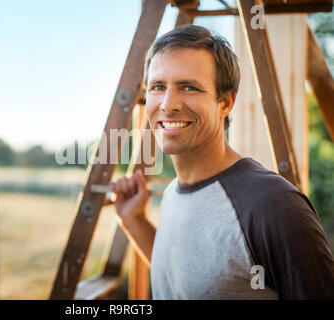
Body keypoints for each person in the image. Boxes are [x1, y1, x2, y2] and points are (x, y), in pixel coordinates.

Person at [109, 25, 334, 300]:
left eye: (188, 87)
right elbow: (190, 281)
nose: (168, 105)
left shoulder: (272, 205)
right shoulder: (172, 194)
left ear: (225, 103)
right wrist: (134, 220)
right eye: (158, 86)